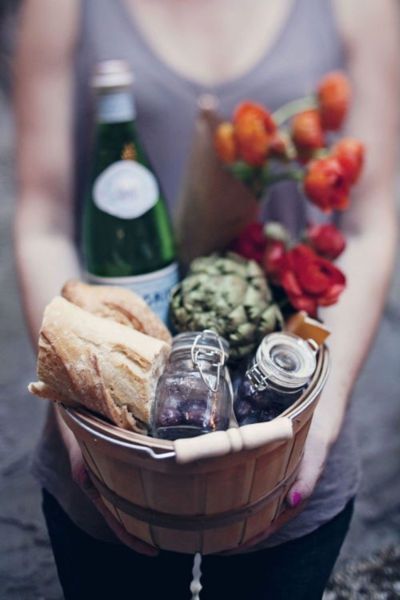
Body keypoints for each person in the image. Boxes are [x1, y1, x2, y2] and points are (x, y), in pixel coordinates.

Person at [14, 0, 399, 598]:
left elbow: (368, 227)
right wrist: (81, 426)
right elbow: (43, 221)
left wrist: (315, 428)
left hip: (290, 430)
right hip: (107, 440)